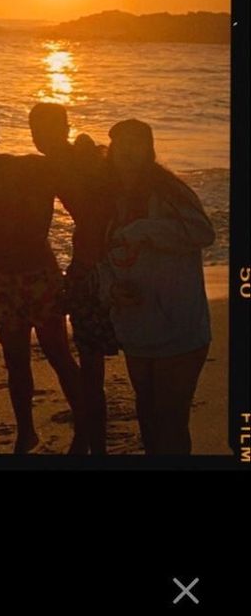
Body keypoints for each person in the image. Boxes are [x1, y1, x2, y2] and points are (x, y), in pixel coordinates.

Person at [0, 107, 88, 454]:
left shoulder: (29, 167)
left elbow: (78, 202)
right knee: (15, 361)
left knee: (58, 352)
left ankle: (86, 427)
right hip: (2, 280)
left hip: (39, 275)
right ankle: (25, 432)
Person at [99, 119, 214, 456]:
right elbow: (104, 256)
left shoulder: (171, 192)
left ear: (149, 150)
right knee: (147, 417)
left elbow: (204, 233)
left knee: (171, 421)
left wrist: (147, 228)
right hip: (137, 327)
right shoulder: (109, 198)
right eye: (122, 146)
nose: (128, 153)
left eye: (136, 145)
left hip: (179, 327)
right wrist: (112, 291)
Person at [29, 102, 116, 455]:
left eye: (45, 129)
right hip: (93, 263)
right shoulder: (74, 158)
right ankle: (89, 440)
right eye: (35, 130)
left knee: (93, 365)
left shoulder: (68, 162)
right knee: (91, 363)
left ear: (62, 129)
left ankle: (91, 443)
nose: (39, 137)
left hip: (97, 265)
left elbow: (96, 213)